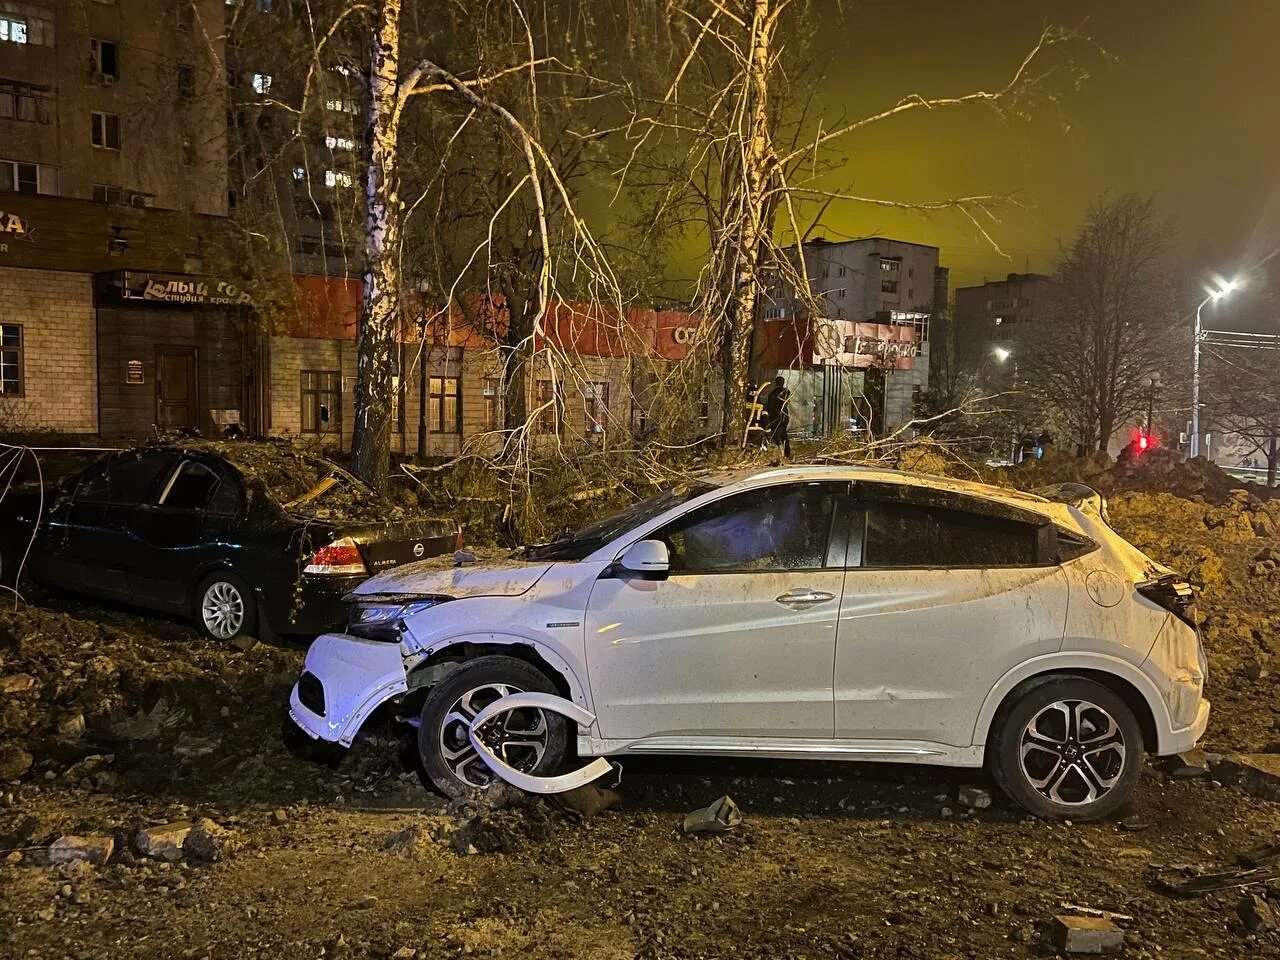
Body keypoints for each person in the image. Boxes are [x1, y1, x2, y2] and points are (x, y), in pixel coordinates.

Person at [762, 376, 792, 458]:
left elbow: (770, 406)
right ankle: (786, 452)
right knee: (783, 433)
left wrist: (768, 415)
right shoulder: (786, 392)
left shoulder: (773, 393)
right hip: (784, 415)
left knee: (776, 434)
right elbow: (787, 403)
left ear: (776, 383)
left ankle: (779, 452)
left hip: (776, 416)